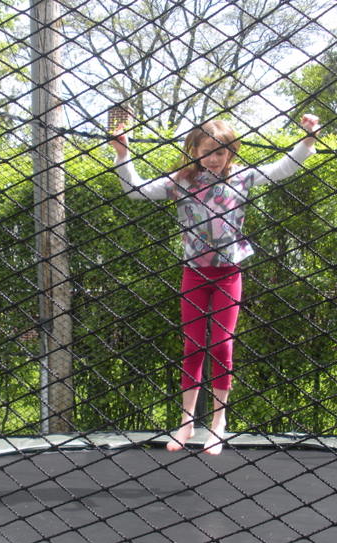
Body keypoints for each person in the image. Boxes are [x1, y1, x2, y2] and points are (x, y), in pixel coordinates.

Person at [110, 114, 320, 454]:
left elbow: (282, 168)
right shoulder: (181, 182)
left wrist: (308, 140)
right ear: (194, 150)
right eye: (207, 151)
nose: (214, 158)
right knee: (193, 346)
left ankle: (219, 423)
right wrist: (122, 155)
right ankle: (186, 422)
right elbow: (135, 190)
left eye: (221, 152)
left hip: (228, 274)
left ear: (231, 153)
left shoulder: (241, 177)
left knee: (222, 345)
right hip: (194, 274)